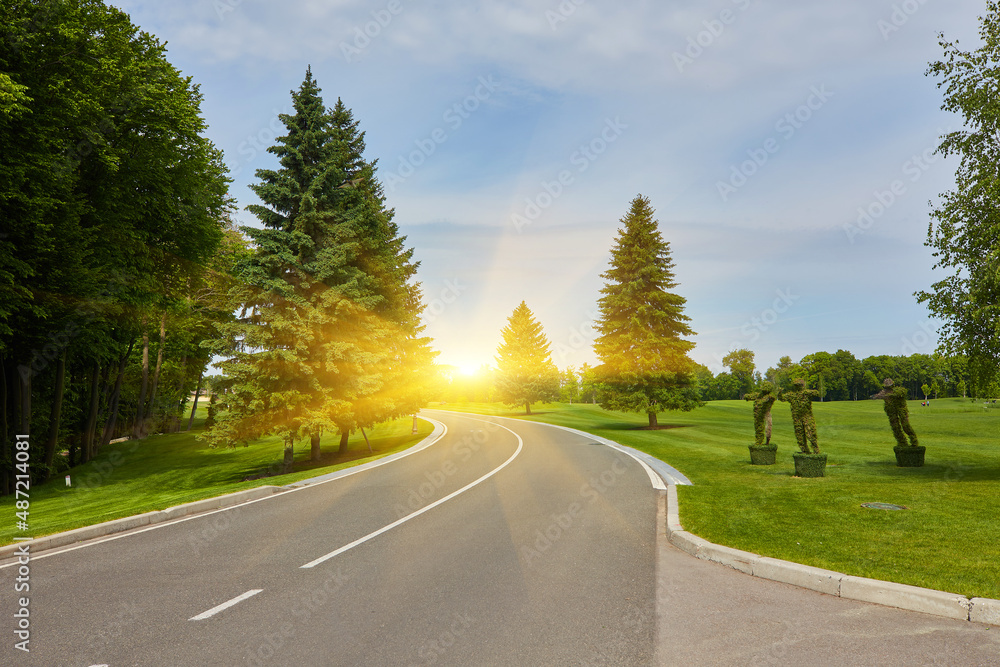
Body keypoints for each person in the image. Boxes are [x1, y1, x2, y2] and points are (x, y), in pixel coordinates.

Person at [872, 378, 918, 448]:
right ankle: (902, 443)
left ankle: (914, 441)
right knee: (895, 428)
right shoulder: (884, 392)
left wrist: (889, 395)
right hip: (891, 412)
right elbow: (878, 395)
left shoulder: (898, 390)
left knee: (905, 425)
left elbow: (902, 392)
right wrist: (875, 396)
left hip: (901, 410)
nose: (888, 388)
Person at [779, 379, 820, 454]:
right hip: (797, 418)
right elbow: (782, 398)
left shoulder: (806, 393)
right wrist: (779, 393)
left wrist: (816, 389)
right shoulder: (792, 395)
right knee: (800, 435)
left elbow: (816, 393)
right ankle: (805, 451)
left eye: (799, 385)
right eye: (796, 385)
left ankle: (816, 451)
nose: (797, 387)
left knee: (811, 433)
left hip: (807, 416)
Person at [744, 383, 778, 447]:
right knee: (758, 427)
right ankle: (759, 441)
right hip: (758, 414)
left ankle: (767, 441)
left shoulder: (770, 396)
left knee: (768, 427)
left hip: (766, 413)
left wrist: (766, 399)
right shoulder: (759, 395)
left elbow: (772, 397)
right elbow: (749, 397)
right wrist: (747, 396)